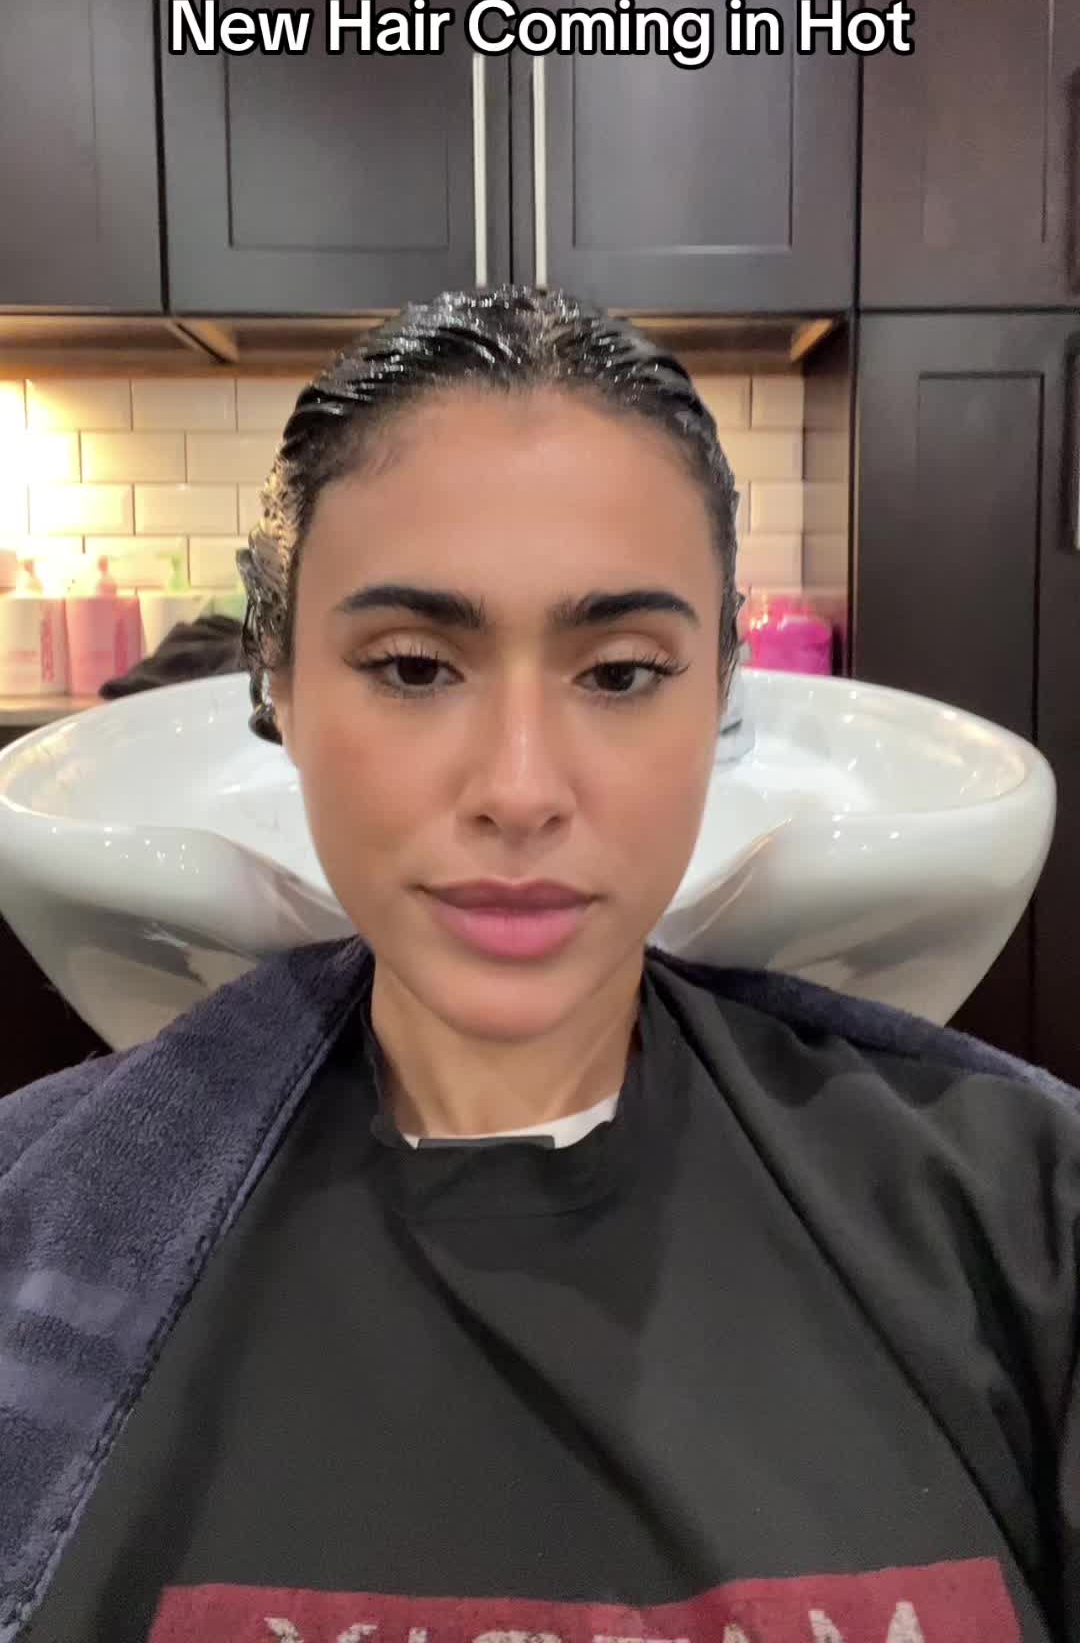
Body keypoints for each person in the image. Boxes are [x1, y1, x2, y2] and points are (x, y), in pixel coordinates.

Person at [1, 286, 1078, 1643]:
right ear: (277, 683)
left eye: (620, 674)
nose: (520, 789)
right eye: (413, 668)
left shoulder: (1023, 1216)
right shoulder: (33, 1229)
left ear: (721, 689)